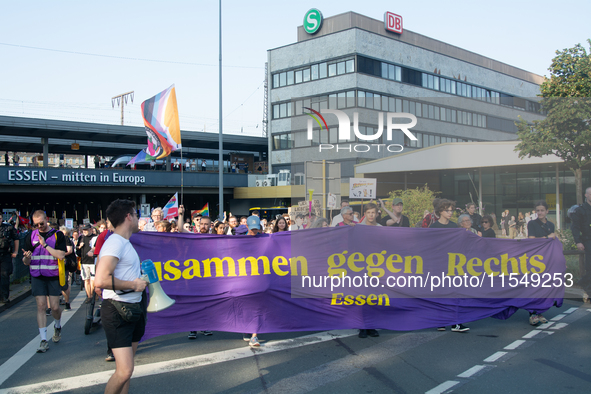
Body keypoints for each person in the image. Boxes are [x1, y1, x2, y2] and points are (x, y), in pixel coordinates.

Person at [94, 199, 148, 394]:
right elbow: (100, 280)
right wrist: (134, 284)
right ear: (128, 217)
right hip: (118, 311)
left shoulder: (123, 242)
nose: (138, 219)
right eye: (136, 215)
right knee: (124, 371)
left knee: (128, 370)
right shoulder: (115, 243)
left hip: (132, 309)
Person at [21, 210, 67, 353]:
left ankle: (58, 325)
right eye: (36, 224)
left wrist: (45, 245)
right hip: (37, 276)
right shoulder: (30, 236)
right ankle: (43, 340)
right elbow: (25, 262)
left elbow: (61, 255)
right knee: (41, 306)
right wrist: (27, 257)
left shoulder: (57, 235)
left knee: (54, 307)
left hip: (52, 275)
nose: (39, 226)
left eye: (41, 223)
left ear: (46, 220)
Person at [429, 200, 469, 333]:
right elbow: (430, 247)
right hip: (438, 264)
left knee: (454, 293)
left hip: (452, 264)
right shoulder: (434, 227)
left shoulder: (454, 226)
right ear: (440, 211)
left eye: (452, 210)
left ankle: (455, 323)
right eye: (448, 210)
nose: (450, 213)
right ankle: (441, 321)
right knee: (440, 294)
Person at [526, 200, 555, 326]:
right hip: (535, 258)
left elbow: (554, 245)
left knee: (544, 286)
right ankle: (532, 313)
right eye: (538, 210)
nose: (540, 212)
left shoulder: (551, 225)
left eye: (542, 210)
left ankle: (539, 312)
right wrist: (547, 237)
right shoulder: (532, 223)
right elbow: (532, 240)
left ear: (547, 211)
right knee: (534, 286)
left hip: (547, 258)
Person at [572, 187, 591, 295]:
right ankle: (588, 289)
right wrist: (578, 241)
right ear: (586, 195)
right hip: (587, 241)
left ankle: (582, 282)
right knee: (589, 267)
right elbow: (575, 227)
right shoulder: (580, 210)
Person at [0, 211, 19, 303]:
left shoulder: (8, 227)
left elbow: (16, 238)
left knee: (4, 275)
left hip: (5, 254)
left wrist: (15, 251)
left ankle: (4, 297)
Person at [77, 224, 97, 303]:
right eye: (83, 230)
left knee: (92, 280)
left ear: (90, 229)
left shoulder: (95, 237)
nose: (84, 231)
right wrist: (79, 247)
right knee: (86, 279)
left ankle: (93, 294)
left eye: (86, 230)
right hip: (84, 261)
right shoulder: (81, 238)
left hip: (92, 261)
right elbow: (77, 250)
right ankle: (89, 296)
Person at [59, 226, 74, 310]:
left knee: (65, 283)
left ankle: (66, 301)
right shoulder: (57, 240)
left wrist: (60, 254)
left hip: (65, 263)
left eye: (65, 234)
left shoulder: (67, 240)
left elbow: (70, 251)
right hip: (57, 263)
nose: (64, 235)